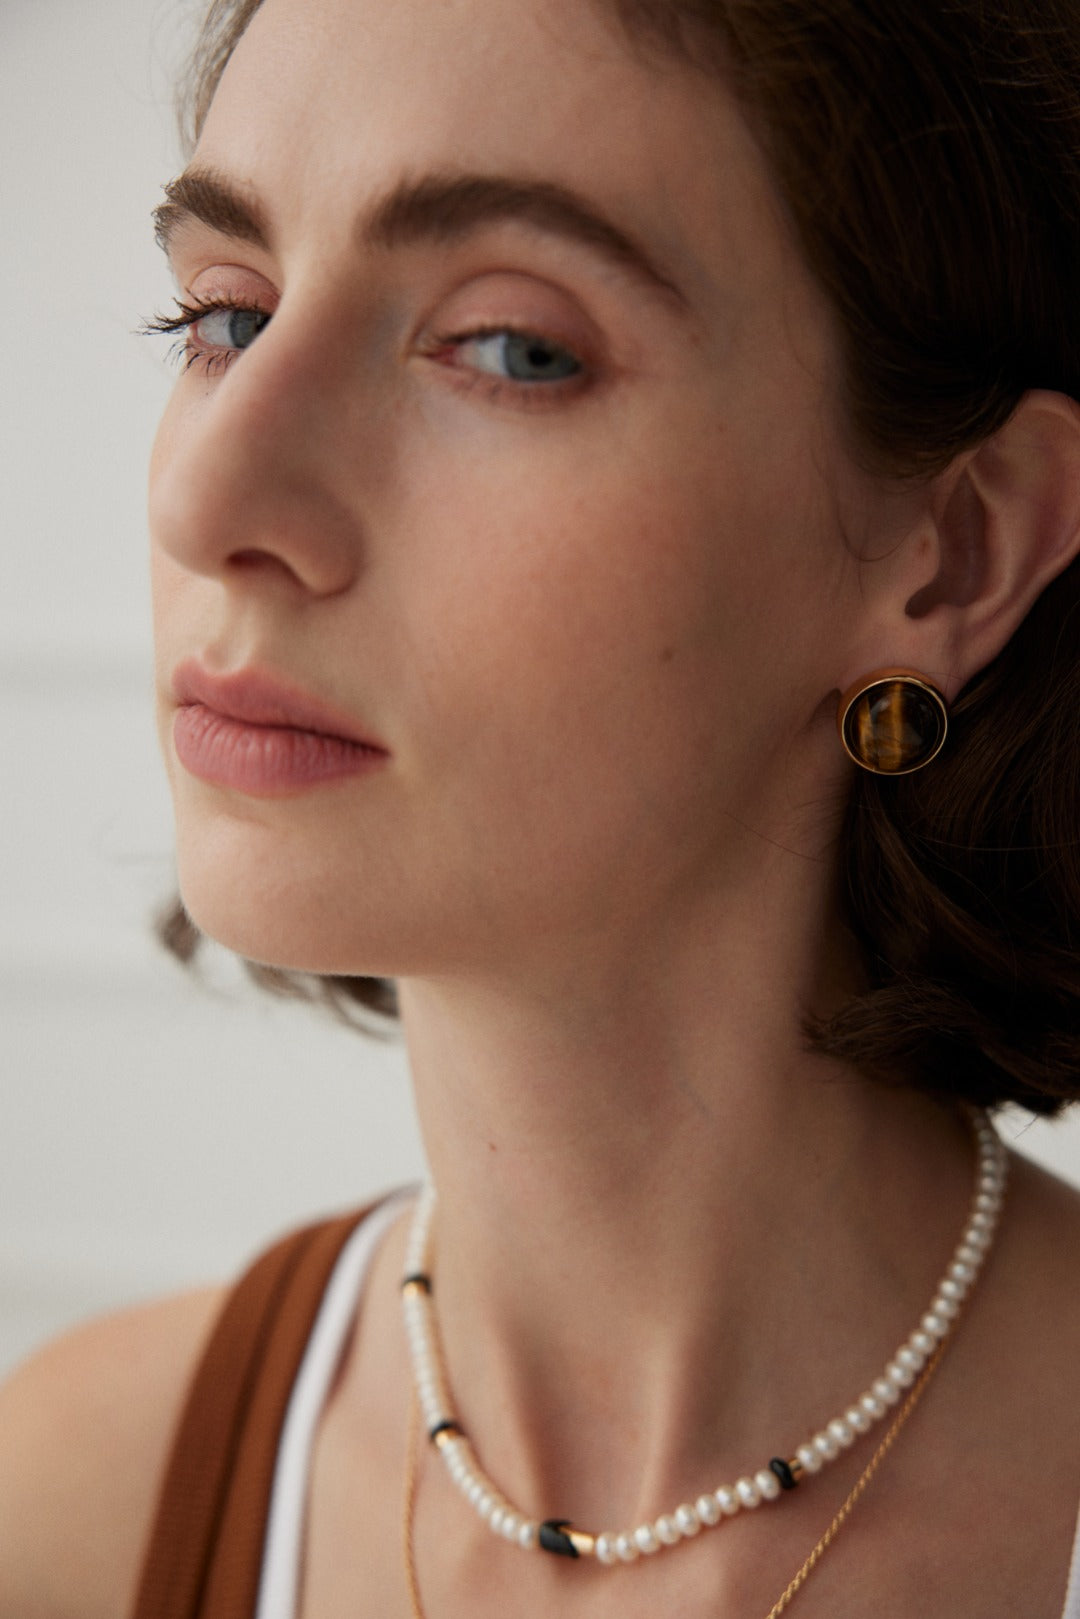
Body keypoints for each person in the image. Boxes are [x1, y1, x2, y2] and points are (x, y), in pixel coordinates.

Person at [3, 0, 1080, 1614]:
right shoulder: (78, 1510)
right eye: (225, 316)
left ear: (954, 549)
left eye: (513, 347)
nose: (206, 495)